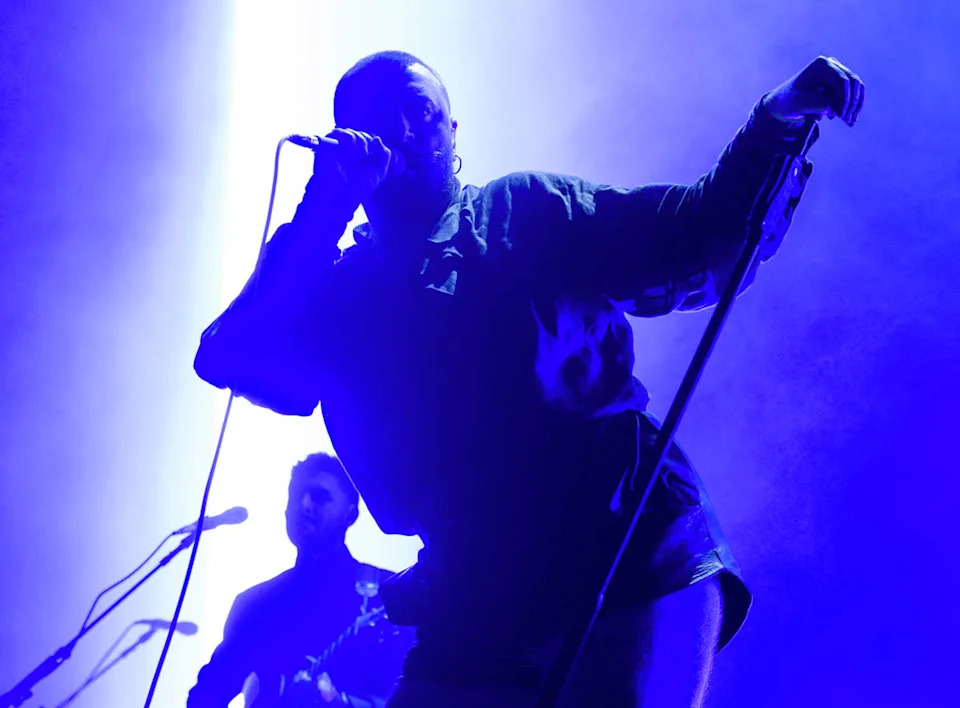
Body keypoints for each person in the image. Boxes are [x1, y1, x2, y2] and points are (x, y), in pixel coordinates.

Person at [193, 51, 864, 706]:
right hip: (475, 575)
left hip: (612, 528)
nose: (400, 131)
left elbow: (690, 237)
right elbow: (234, 359)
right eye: (376, 117)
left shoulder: (524, 212)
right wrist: (322, 207)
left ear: (452, 134)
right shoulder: (343, 293)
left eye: (420, 112)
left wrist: (776, 118)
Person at [187, 453, 413, 707]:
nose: (304, 504)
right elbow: (205, 697)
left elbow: (425, 691)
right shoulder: (255, 604)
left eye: (319, 496)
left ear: (350, 515)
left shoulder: (390, 594)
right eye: (296, 495)